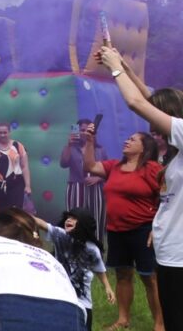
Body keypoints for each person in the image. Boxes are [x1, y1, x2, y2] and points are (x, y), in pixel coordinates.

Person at [97, 46, 180, 331]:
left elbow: (137, 102)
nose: (151, 127)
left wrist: (114, 68)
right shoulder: (172, 147)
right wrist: (124, 65)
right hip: (168, 247)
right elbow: (147, 98)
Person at [81, 123, 164, 331]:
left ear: (144, 148)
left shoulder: (152, 169)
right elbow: (90, 166)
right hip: (117, 231)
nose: (127, 141)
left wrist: (158, 227)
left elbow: (167, 198)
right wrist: (89, 142)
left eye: (133, 139)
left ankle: (160, 324)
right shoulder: (114, 167)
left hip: (144, 231)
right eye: (128, 138)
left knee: (149, 278)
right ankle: (123, 320)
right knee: (123, 275)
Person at [32, 208, 115, 330]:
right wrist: (19, 215)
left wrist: (108, 287)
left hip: (83, 301)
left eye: (74, 218)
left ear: (83, 224)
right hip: (60, 295)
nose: (69, 220)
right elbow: (41, 223)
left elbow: (99, 269)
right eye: (68, 217)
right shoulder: (60, 235)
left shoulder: (92, 249)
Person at [61, 118, 108, 245]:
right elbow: (63, 163)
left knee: (96, 219)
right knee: (74, 218)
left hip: (96, 188)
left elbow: (107, 171)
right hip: (75, 187)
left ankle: (96, 249)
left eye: (87, 130)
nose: (84, 132)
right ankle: (73, 247)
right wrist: (69, 145)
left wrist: (97, 178)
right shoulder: (72, 148)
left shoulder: (100, 150)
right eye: (81, 130)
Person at [0, 123, 32, 212]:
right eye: (0, 132)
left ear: (9, 132)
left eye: (5, 132)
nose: (2, 135)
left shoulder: (18, 146)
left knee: (16, 212)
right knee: (1, 213)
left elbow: (24, 167)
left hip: (16, 185)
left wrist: (27, 186)